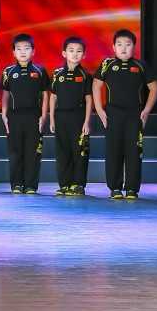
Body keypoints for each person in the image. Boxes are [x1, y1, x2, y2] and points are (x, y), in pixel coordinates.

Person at [93, 29, 157, 200]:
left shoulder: (140, 66)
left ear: (134, 47)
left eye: (128, 45)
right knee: (113, 151)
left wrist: (146, 111)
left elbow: (155, 88)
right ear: (113, 47)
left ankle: (132, 189)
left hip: (134, 115)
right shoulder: (107, 64)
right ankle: (115, 188)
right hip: (112, 114)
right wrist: (100, 110)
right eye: (120, 44)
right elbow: (96, 85)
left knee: (134, 151)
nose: (123, 48)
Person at [0, 33, 49, 195]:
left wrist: (43, 116)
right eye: (19, 49)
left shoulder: (39, 71)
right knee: (15, 152)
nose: (23, 52)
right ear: (13, 52)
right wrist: (4, 115)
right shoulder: (8, 71)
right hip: (14, 117)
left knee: (33, 152)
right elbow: (5, 95)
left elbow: (45, 95)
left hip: (34, 117)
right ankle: (16, 184)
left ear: (33, 51)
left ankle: (30, 185)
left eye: (26, 48)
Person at [49, 37, 93, 197]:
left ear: (84, 55)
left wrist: (87, 121)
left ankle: (78, 184)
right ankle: (64, 184)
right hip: (61, 117)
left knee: (79, 151)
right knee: (62, 152)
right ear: (64, 53)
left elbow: (89, 100)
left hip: (78, 117)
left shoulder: (85, 75)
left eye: (79, 51)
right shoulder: (57, 74)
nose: (75, 54)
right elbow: (53, 97)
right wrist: (52, 119)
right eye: (71, 50)